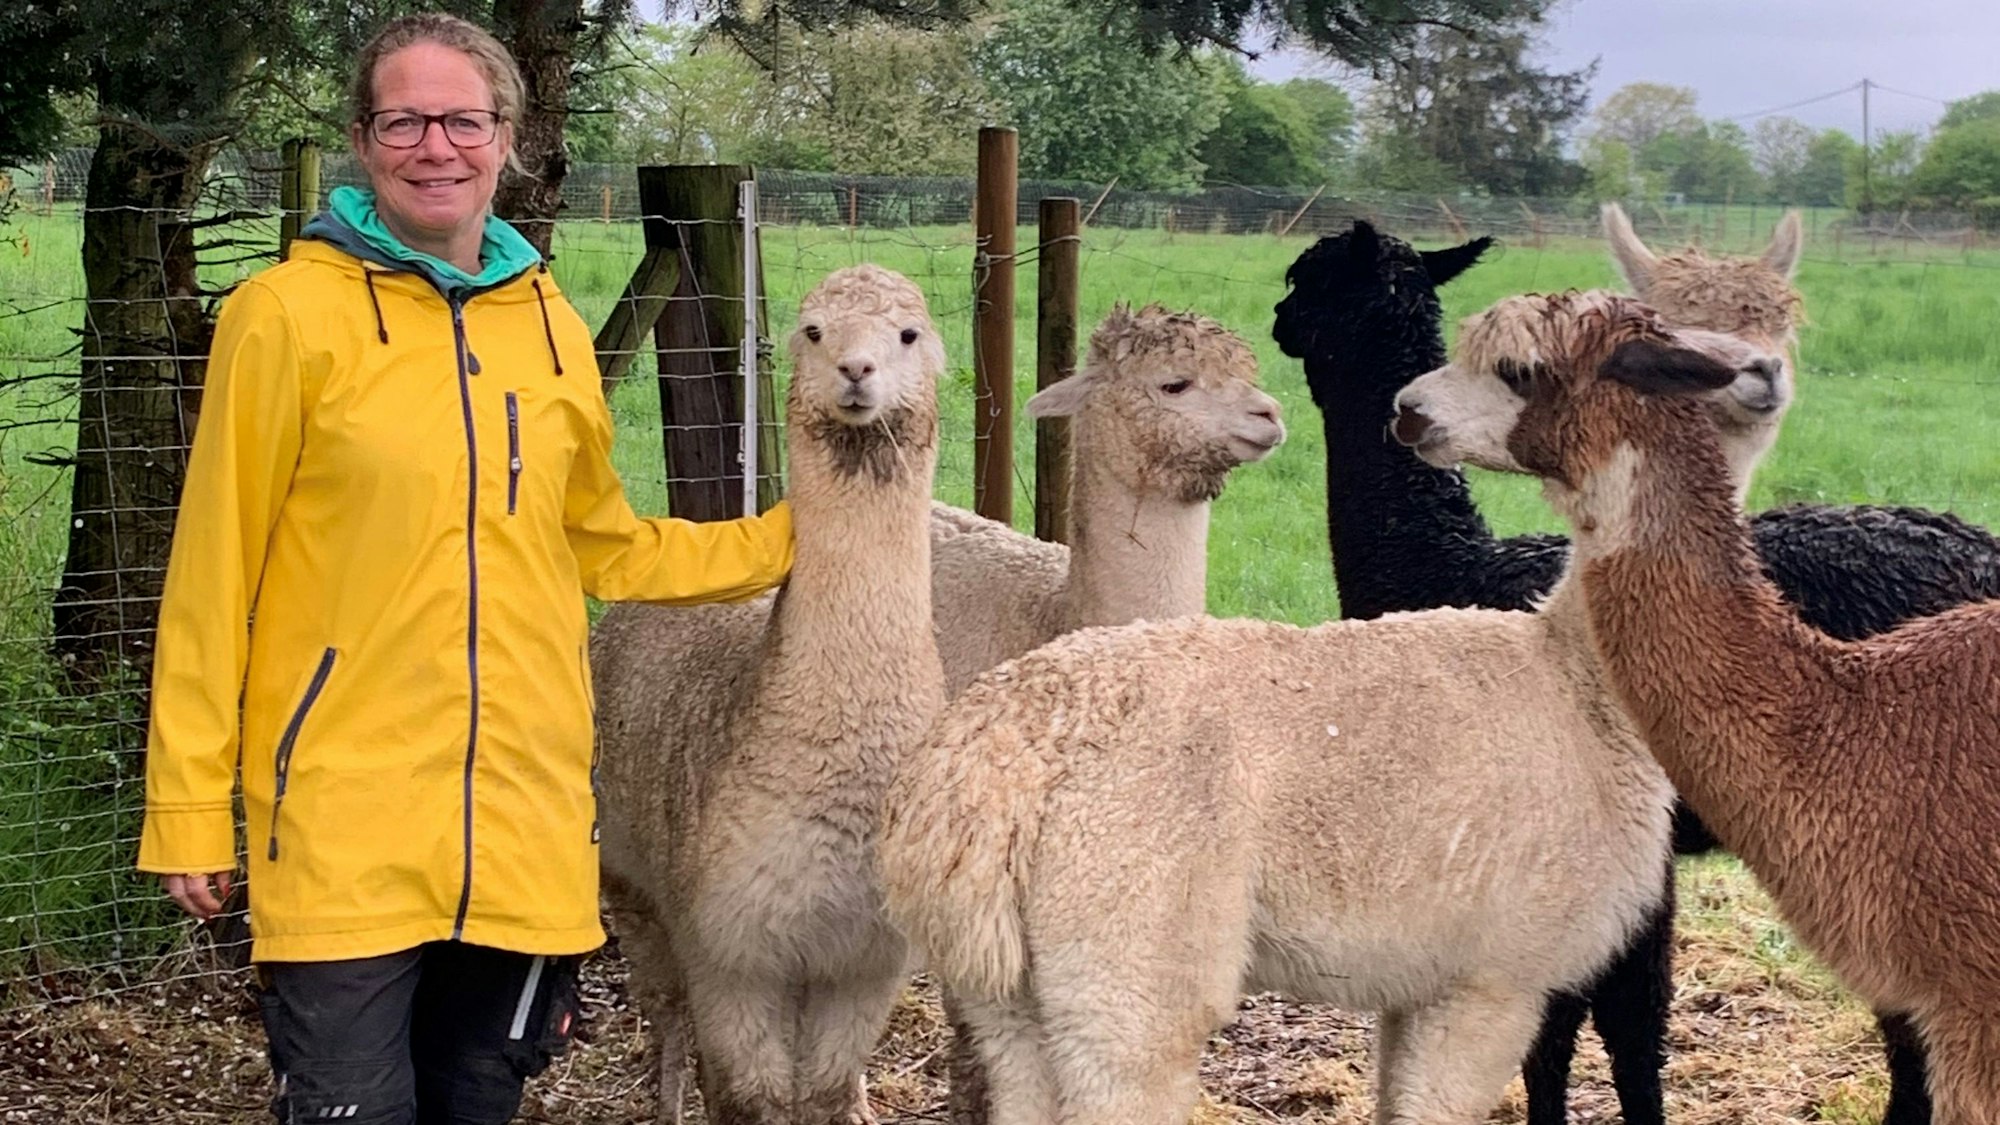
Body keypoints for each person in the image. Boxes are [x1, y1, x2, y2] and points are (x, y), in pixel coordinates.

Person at [134, 13, 794, 1123]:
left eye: (461, 119)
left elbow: (603, 544)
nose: (433, 145)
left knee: (479, 1100)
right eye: (403, 120)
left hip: (522, 824)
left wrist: (795, 537)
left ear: (506, 135)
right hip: (344, 824)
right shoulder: (283, 317)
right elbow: (212, 576)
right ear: (360, 138)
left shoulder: (547, 323)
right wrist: (189, 806)